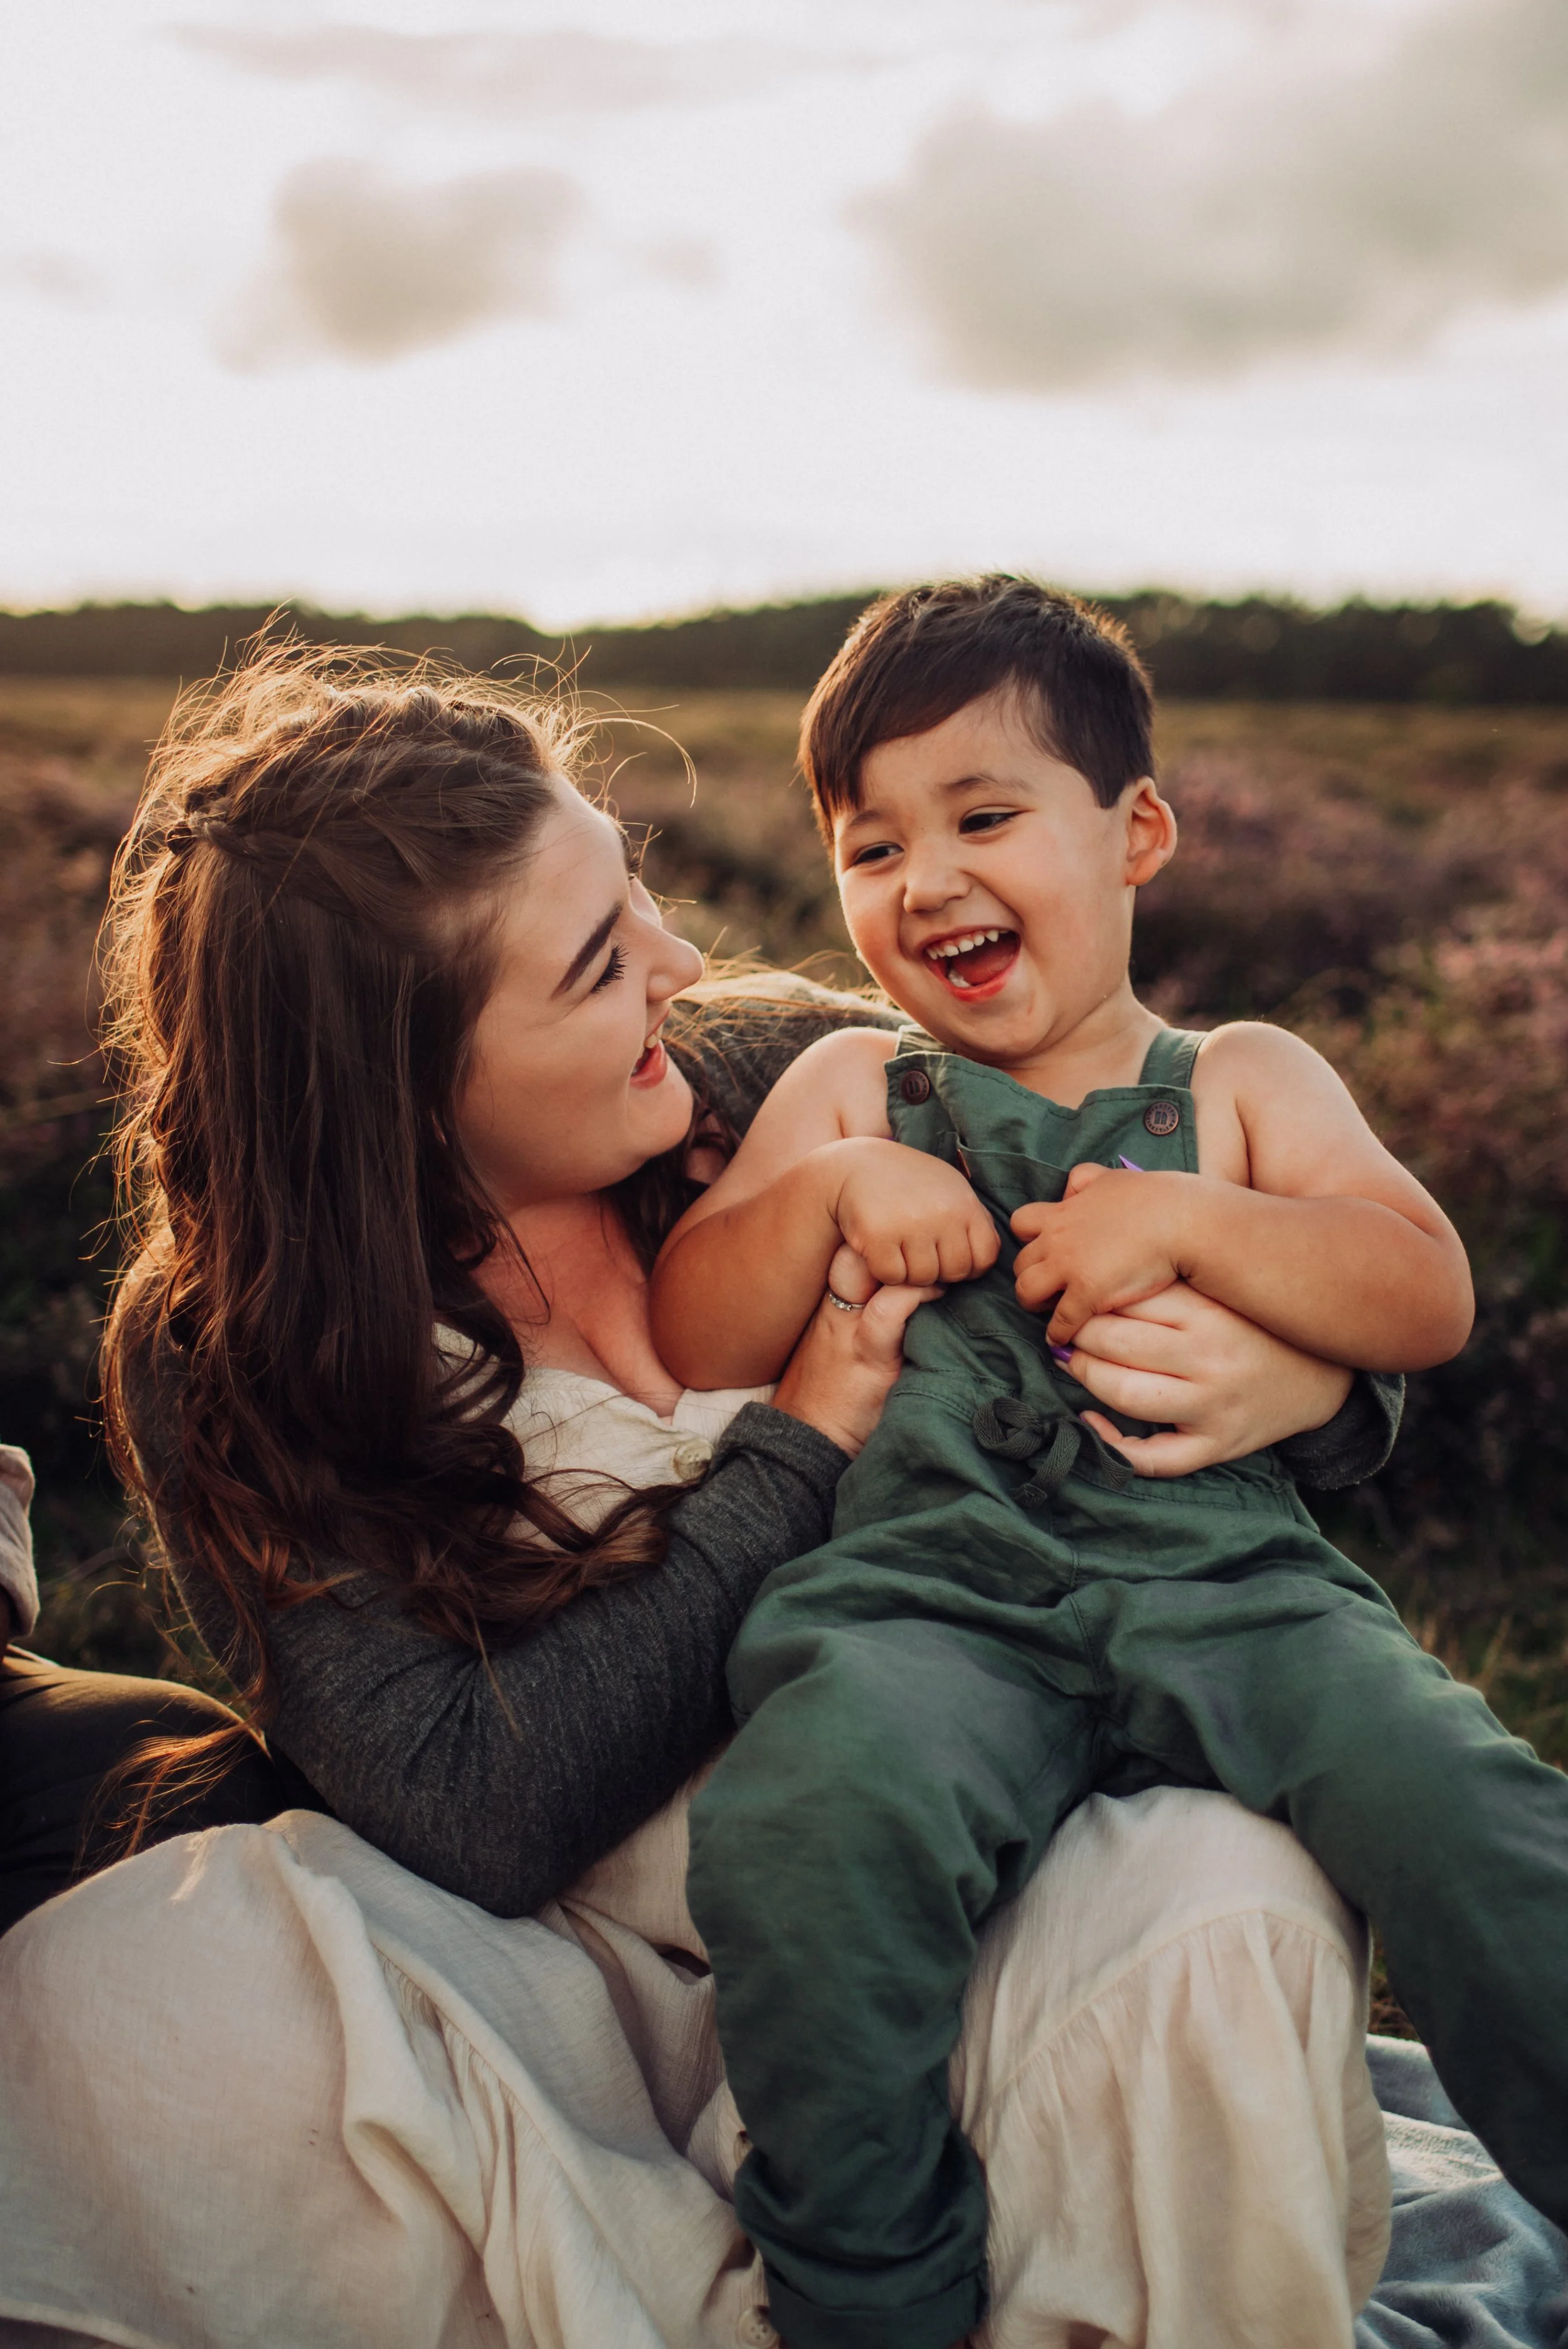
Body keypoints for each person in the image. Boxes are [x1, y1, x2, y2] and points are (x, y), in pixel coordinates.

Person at [0, 645, 1404, 2348]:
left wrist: (1321, 1392)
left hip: (953, 1868)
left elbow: (1207, 1187)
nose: (676, 964)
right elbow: (474, 1815)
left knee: (1220, 1898)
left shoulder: (773, 1074)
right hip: (562, 1985)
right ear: (405, 1088)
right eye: (597, 966)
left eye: (636, 889)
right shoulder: (234, 1346)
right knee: (137, 1988)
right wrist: (798, 1444)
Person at [651, 578, 1568, 2349]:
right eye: (868, 846)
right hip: (930, 1599)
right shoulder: (855, 1087)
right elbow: (699, 1331)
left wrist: (1200, 1221)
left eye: (982, 817)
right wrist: (825, 1197)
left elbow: (1421, 1289)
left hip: (1229, 1589)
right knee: (802, 1820)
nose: (921, 881)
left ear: (1134, 831)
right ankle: (869, 2286)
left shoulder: (1233, 1078)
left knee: (1462, 1803)